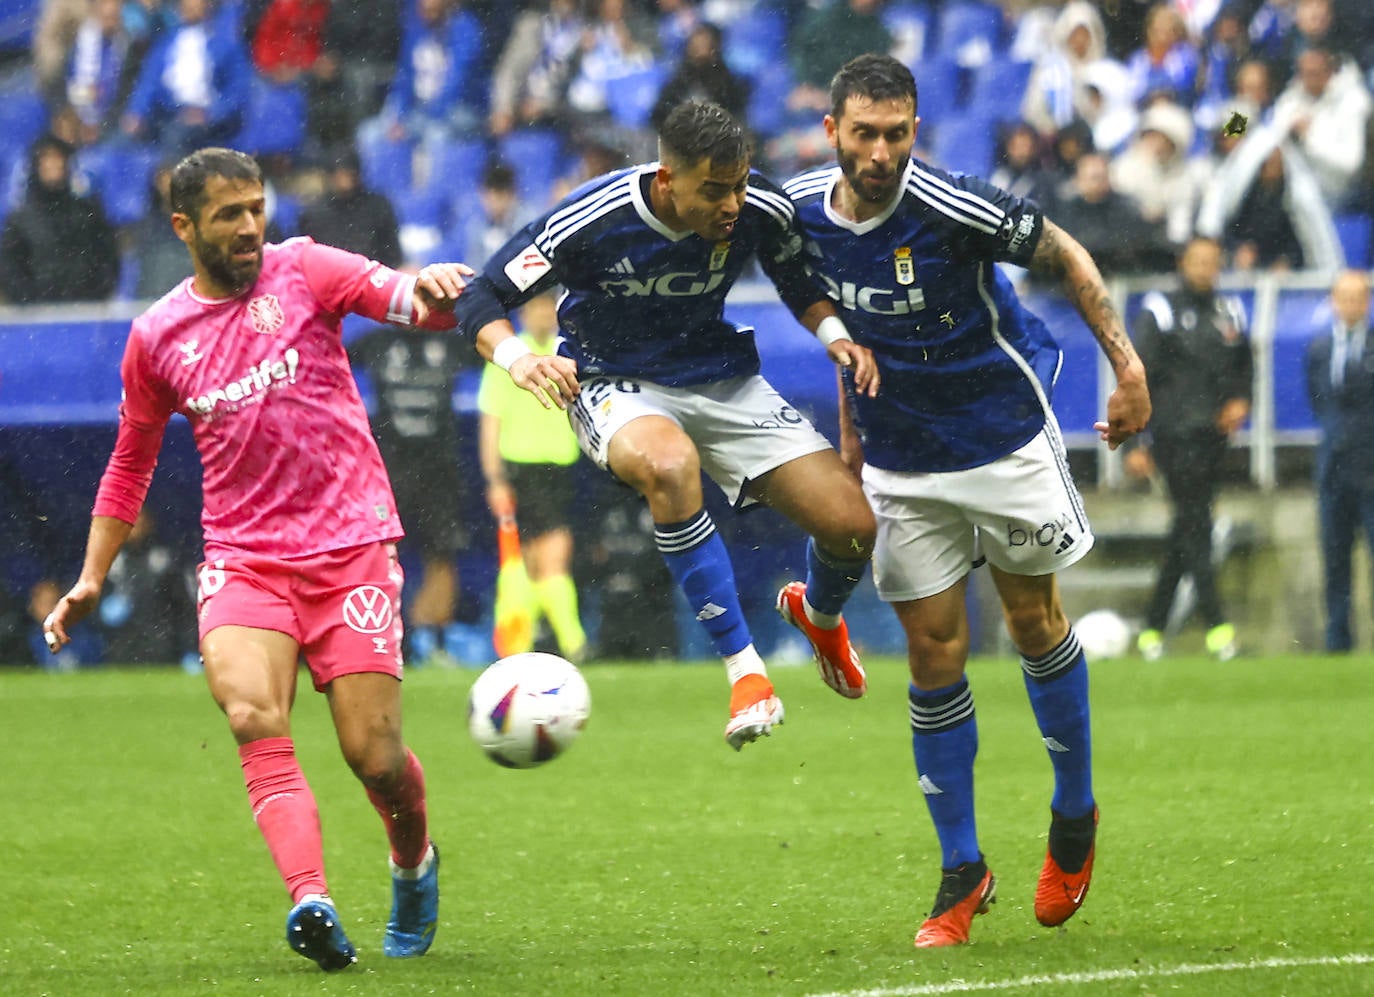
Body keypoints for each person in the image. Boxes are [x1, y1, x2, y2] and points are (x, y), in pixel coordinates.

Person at [42, 147, 475, 971]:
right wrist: (93, 572)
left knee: (374, 758)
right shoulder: (157, 335)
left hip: (349, 545)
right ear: (183, 228)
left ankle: (413, 864)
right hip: (244, 557)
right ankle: (310, 899)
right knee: (251, 714)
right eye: (228, 215)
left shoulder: (306, 268)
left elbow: (398, 294)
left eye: (255, 208)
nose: (249, 227)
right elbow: (130, 460)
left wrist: (436, 290)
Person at [783, 54, 1151, 948]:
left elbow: (1067, 252)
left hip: (1002, 436)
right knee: (933, 651)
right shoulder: (791, 213)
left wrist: (1128, 363)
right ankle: (962, 869)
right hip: (905, 461)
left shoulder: (953, 205)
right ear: (832, 130)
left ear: (917, 130)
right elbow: (832, 317)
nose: (881, 153)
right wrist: (853, 431)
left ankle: (1073, 812)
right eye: (864, 134)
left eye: (897, 134)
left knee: (1033, 622)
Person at [452, 99, 880, 751]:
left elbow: (794, 273)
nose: (732, 204)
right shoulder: (592, 217)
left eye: (738, 184)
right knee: (669, 464)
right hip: (612, 379)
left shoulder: (758, 207)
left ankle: (817, 616)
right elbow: (480, 294)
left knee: (853, 528)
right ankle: (747, 671)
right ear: (665, 181)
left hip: (718, 376)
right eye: (714, 191)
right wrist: (517, 359)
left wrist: (833, 333)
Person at [1127, 236, 1251, 663]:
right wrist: (1137, 440)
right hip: (1172, 434)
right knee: (1196, 523)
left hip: (1214, 436)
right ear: (1184, 263)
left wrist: (1241, 399)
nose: (1205, 268)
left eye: (1213, 261)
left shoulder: (1229, 309)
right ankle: (1219, 628)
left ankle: (1152, 630)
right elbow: (1137, 373)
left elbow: (1243, 364)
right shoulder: (1159, 309)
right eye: (1198, 261)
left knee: (1188, 526)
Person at [346, 311, 478, 668]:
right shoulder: (375, 342)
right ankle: (387, 638)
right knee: (383, 556)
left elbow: (491, 348)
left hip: (441, 470)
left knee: (442, 554)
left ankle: (435, 641)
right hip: (389, 471)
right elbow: (327, 357)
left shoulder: (451, 342)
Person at [477, 290, 587, 662]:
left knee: (551, 559)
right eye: (536, 308)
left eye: (547, 309)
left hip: (560, 467)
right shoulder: (509, 358)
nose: (543, 316)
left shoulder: (567, 353)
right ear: (525, 312)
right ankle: (564, 643)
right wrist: (494, 480)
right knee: (527, 563)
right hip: (519, 469)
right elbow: (491, 420)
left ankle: (536, 645)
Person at [1304, 269, 1374, 653]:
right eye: (1343, 297)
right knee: (1335, 558)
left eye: (1357, 297)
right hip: (1333, 470)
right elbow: (1318, 402)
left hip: (1372, 470)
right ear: (1333, 301)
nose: (1350, 304)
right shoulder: (1319, 349)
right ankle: (1337, 640)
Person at [0, 133, 120, 305]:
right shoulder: (19, 220)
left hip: (86, 312)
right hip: (36, 318)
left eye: (59, 158)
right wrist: (31, 302)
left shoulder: (88, 211)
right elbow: (10, 269)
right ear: (36, 165)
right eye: (47, 158)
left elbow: (108, 258)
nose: (54, 164)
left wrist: (94, 296)